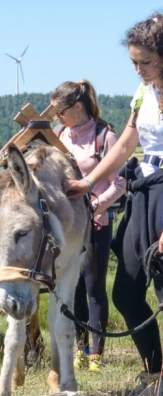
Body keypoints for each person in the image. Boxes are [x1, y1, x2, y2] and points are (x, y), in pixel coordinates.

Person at [65, 13, 163, 386]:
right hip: (145, 190)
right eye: (133, 62)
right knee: (125, 292)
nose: (138, 69)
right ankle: (155, 374)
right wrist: (88, 182)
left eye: (146, 62)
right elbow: (125, 144)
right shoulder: (144, 92)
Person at [50, 80, 125, 373]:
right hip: (68, 226)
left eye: (60, 112)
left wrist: (95, 205)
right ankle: (79, 346)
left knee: (94, 286)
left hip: (96, 222)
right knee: (74, 285)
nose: (57, 118)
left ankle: (96, 352)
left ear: (78, 107)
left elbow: (119, 185)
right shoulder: (59, 135)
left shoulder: (104, 137)